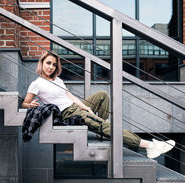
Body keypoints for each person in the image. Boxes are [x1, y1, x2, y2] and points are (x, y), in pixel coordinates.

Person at [22, 51, 175, 159]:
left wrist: (86, 107)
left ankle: (99, 128)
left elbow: (69, 96)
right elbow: (25, 103)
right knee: (107, 126)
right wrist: (30, 105)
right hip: (67, 113)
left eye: (54, 65)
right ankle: (149, 146)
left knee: (102, 95)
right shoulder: (36, 84)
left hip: (75, 107)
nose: (51, 67)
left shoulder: (57, 80)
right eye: (48, 63)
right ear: (41, 63)